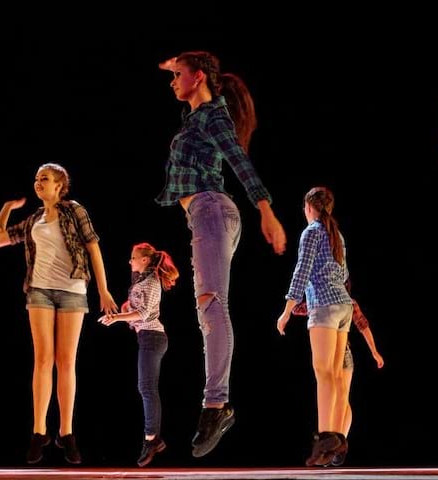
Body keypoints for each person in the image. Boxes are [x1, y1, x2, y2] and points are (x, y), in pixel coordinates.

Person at [156, 51, 287, 458]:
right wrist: (177, 64)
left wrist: (266, 210)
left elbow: (239, 161)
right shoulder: (197, 116)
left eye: (179, 75)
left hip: (212, 211)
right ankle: (216, 402)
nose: (172, 81)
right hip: (204, 215)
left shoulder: (213, 115)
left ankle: (216, 404)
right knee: (207, 307)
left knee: (212, 306)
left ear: (198, 78)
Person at [0, 163, 118, 465]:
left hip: (73, 289)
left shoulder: (74, 210)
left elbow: (93, 247)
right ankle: (38, 431)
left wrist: (104, 289)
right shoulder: (34, 218)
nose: (39, 183)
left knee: (66, 361)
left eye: (45, 179)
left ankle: (67, 432)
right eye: (36, 179)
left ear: (60, 185)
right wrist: (7, 208)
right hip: (39, 290)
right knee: (43, 359)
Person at [276, 186, 352, 467]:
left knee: (323, 373)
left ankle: (323, 438)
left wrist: (286, 311)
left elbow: (302, 270)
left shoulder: (312, 232)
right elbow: (344, 273)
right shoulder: (337, 234)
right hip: (343, 306)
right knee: (332, 373)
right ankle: (334, 437)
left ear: (309, 207)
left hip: (324, 306)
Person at [98, 242, 179, 467]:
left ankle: (151, 439)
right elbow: (137, 307)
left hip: (153, 337)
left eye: (133, 257)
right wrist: (124, 308)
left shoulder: (152, 281)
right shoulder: (142, 280)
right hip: (146, 338)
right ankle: (156, 439)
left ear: (144, 260)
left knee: (147, 388)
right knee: (145, 388)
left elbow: (144, 314)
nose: (130, 261)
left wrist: (115, 319)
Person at [292, 294, 385, 466]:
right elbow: (363, 326)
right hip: (345, 354)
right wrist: (374, 351)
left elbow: (363, 326)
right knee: (342, 399)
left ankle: (336, 440)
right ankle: (339, 441)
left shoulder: (328, 299)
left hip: (338, 355)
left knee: (338, 397)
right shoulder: (345, 301)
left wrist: (374, 351)